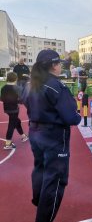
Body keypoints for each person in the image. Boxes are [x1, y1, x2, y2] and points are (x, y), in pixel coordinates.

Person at [22, 49, 81, 222]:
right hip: (54, 137)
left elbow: (25, 101)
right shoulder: (56, 86)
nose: (60, 66)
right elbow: (71, 117)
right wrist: (77, 114)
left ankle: (38, 200)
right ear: (53, 65)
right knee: (55, 179)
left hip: (35, 132)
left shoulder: (31, 83)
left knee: (40, 168)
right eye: (59, 63)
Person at [0, 72, 28, 149]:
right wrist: (17, 101)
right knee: (11, 125)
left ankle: (23, 136)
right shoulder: (17, 88)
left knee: (17, 121)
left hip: (7, 109)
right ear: (15, 79)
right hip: (14, 109)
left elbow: (2, 98)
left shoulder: (3, 87)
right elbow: (22, 100)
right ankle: (8, 144)